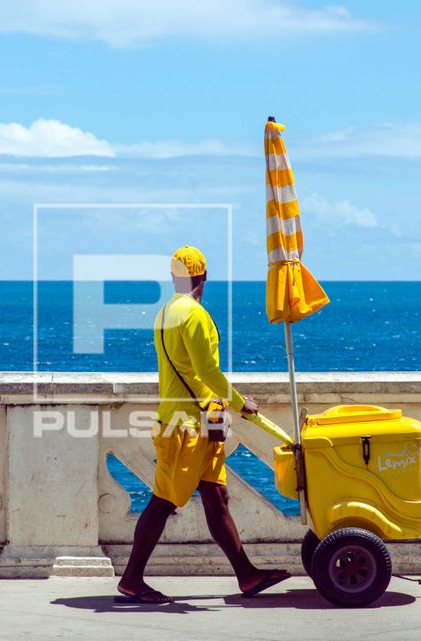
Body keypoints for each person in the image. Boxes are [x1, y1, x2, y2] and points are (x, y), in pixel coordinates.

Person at [116, 245, 292, 604]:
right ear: (205, 277)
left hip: (190, 422)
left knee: (216, 497)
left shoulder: (166, 311)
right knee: (163, 502)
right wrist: (242, 404)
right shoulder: (194, 315)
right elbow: (207, 371)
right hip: (187, 429)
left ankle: (247, 575)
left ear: (174, 277)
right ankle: (131, 580)